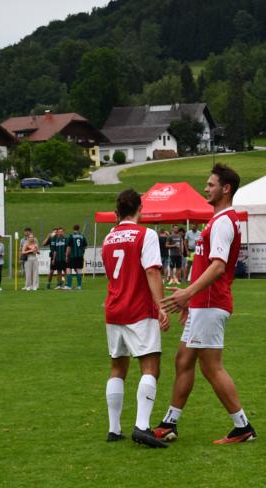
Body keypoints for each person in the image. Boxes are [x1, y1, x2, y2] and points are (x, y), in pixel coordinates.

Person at [156, 163, 257, 444]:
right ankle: (169, 423)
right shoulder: (219, 220)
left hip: (211, 302)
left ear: (226, 189)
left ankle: (243, 427)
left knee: (211, 367)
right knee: (183, 360)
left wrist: (188, 293)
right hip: (203, 303)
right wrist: (192, 300)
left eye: (211, 185)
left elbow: (218, 266)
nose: (205, 189)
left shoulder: (223, 221)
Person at [101, 188, 171, 448]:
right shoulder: (146, 234)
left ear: (117, 212)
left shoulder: (109, 237)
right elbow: (152, 271)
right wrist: (162, 306)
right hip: (139, 309)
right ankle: (142, 426)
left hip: (113, 309)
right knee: (150, 367)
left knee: (117, 368)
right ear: (140, 209)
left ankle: (114, 428)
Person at [66, 224, 88, 290]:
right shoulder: (82, 236)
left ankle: (69, 286)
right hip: (80, 256)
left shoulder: (71, 236)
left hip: (72, 255)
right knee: (79, 270)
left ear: (73, 228)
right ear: (79, 228)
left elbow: (69, 247)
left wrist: (67, 255)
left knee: (69, 269)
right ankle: (79, 286)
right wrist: (81, 250)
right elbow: (85, 246)